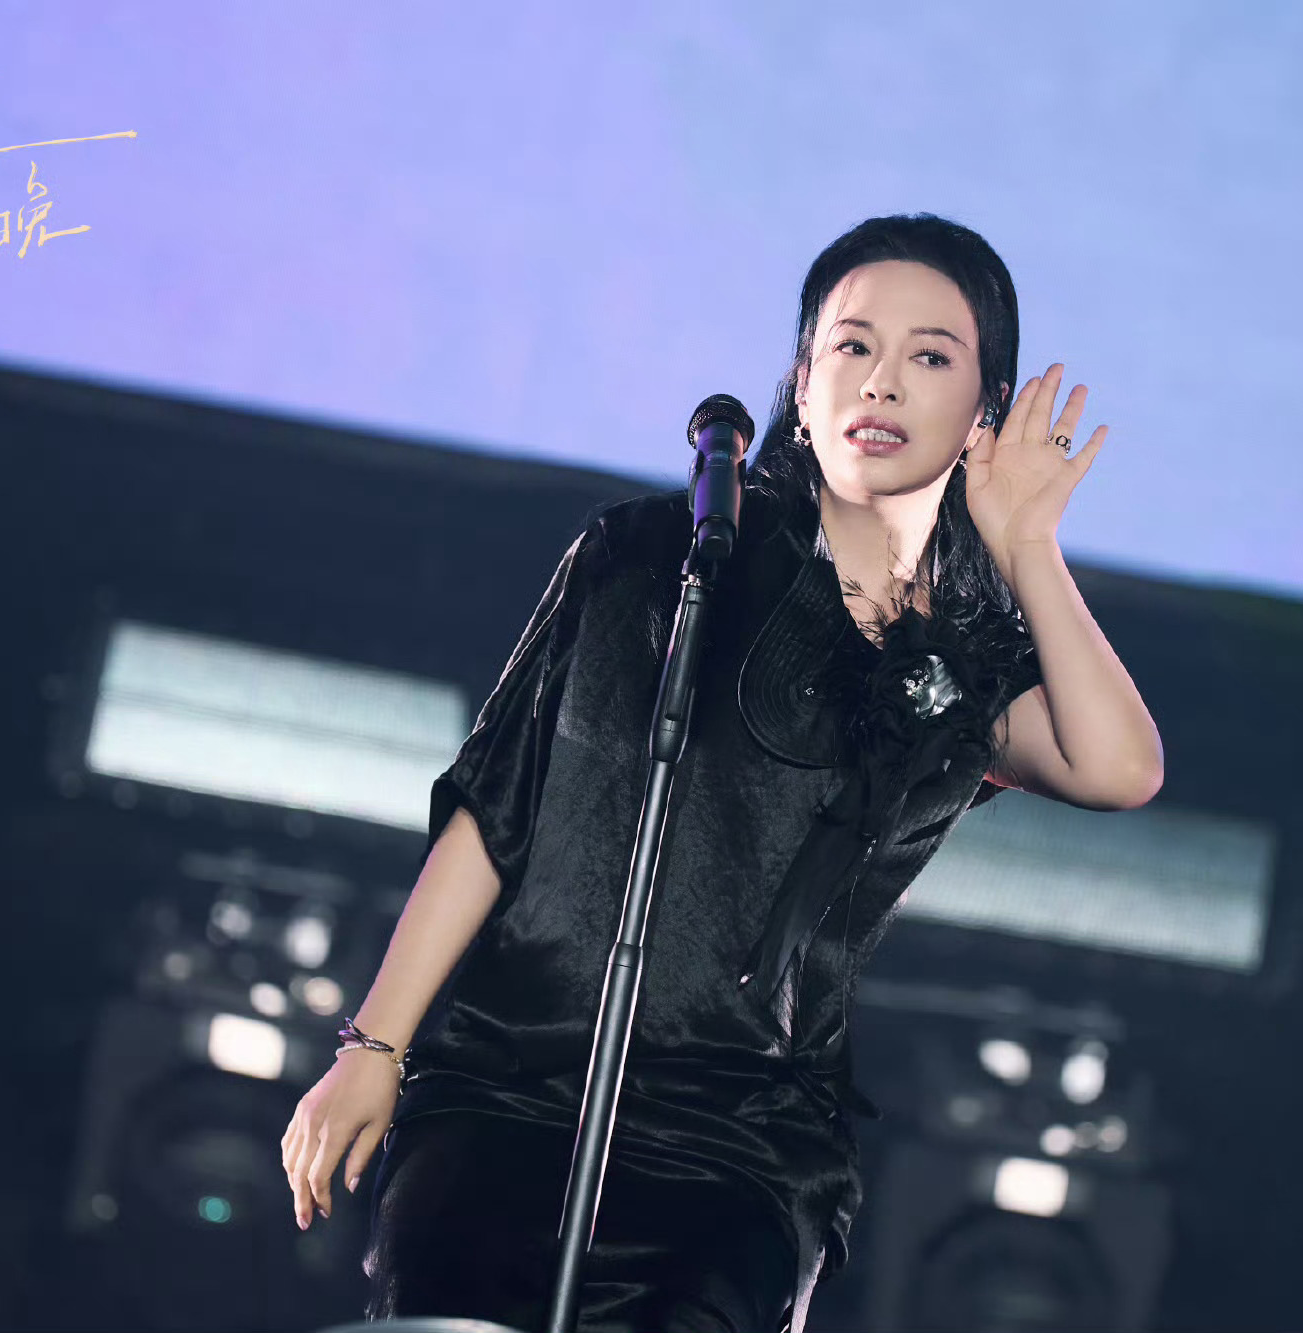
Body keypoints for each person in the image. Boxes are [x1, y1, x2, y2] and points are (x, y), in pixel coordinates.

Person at [280, 212, 1165, 1333]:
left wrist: (1026, 544)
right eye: (852, 346)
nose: (882, 382)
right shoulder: (657, 555)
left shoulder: (958, 670)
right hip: (515, 1084)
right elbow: (497, 809)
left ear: (983, 411)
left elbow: (1117, 766)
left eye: (931, 357)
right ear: (802, 382)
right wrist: (374, 1045)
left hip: (738, 1145)